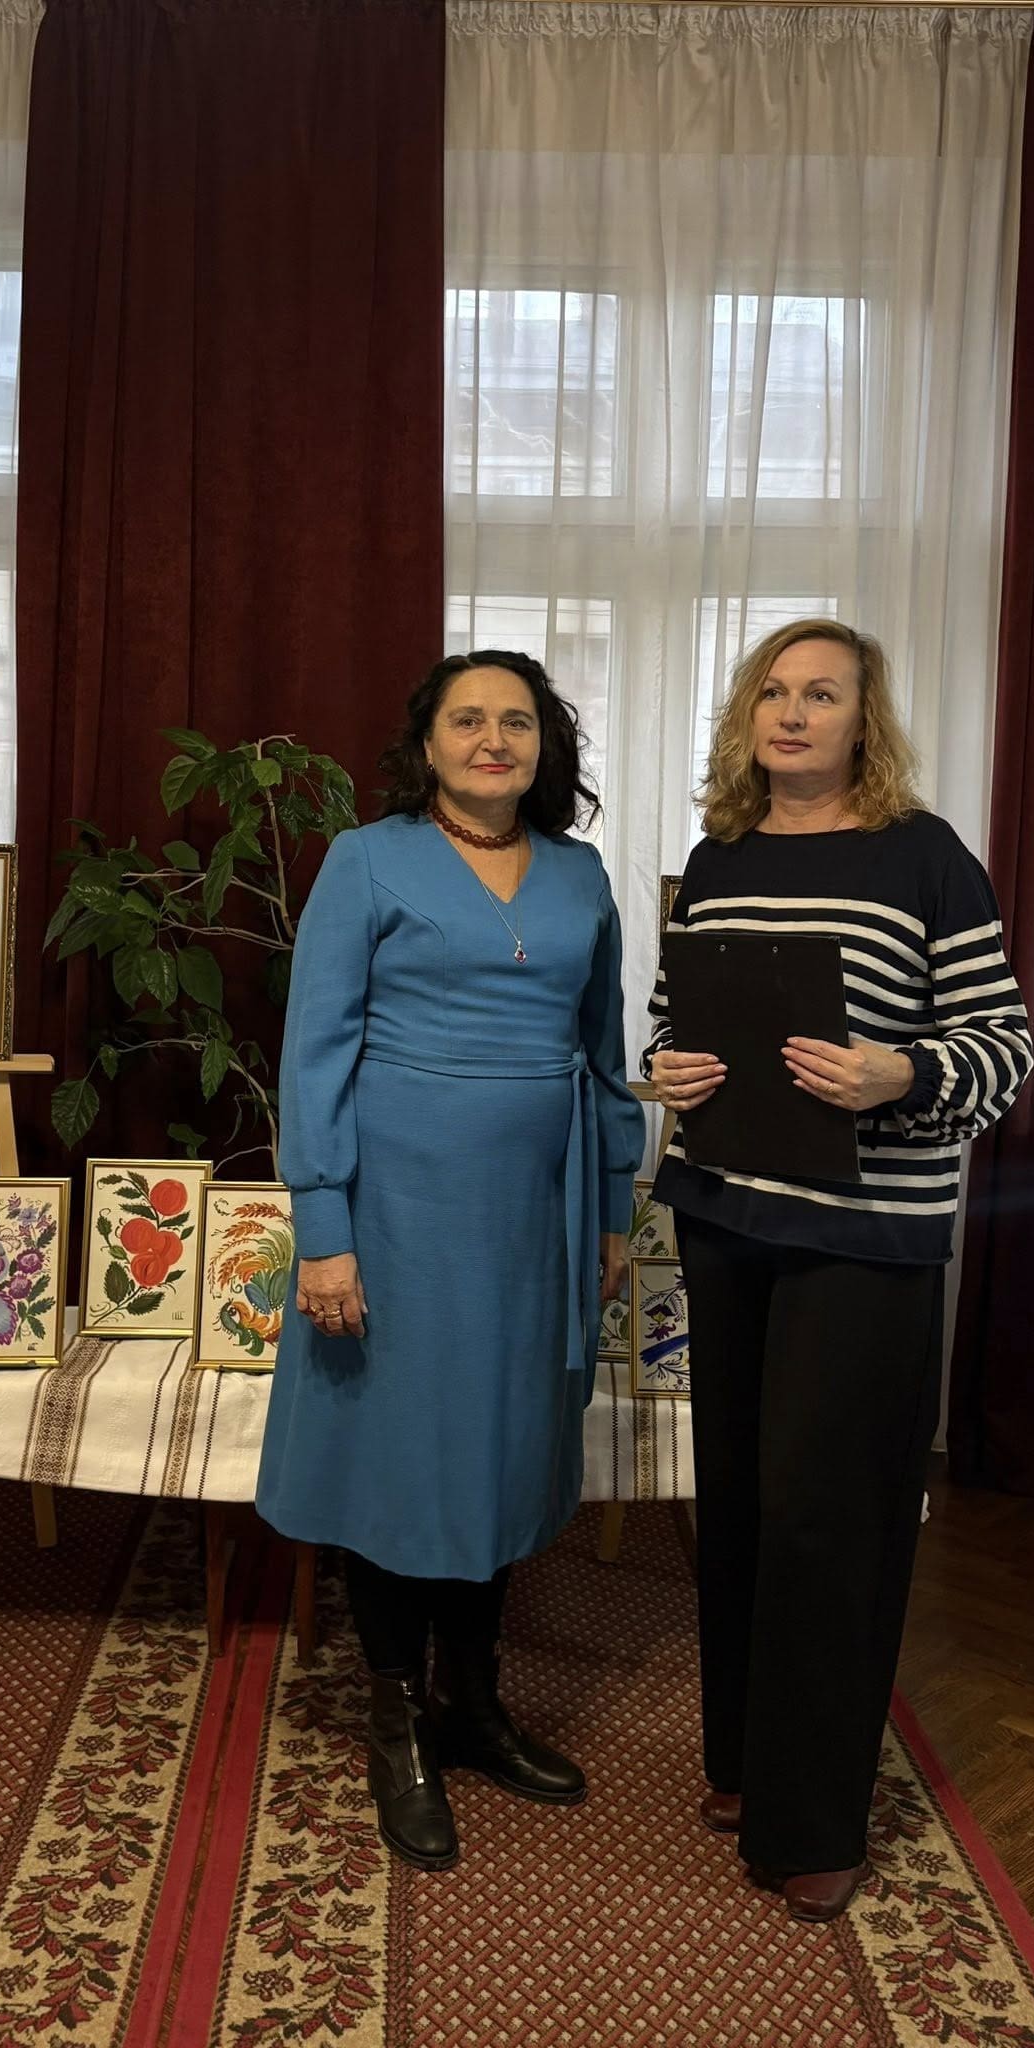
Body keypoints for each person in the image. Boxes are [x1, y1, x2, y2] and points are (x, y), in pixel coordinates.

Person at [647, 620, 1033, 1923]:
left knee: (830, 1518)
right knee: (738, 1501)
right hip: (725, 1216)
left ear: (865, 722)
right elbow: (676, 1015)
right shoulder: (721, 854)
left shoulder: (925, 856)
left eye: (822, 693)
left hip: (865, 1237)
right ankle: (745, 1763)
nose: (793, 711)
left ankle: (812, 1821)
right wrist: (666, 1067)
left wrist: (900, 1072)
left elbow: (1002, 1047)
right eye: (774, 689)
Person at [256, 649, 646, 1872]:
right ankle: (397, 1725)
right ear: (426, 743)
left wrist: (612, 1204)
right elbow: (314, 1049)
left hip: (535, 1215)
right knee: (398, 1454)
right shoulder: (366, 860)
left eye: (516, 721)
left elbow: (603, 1050)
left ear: (543, 744)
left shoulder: (581, 875)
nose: (493, 738)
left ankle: (473, 1704)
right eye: (467, 718)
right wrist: (325, 1229)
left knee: (497, 1451)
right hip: (396, 1213)